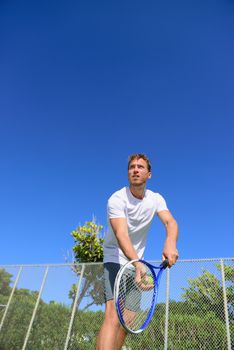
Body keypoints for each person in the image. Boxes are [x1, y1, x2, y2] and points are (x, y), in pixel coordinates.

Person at [96, 153, 179, 350]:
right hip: (115, 257)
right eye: (132, 167)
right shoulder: (117, 198)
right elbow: (121, 234)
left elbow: (170, 222)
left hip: (136, 263)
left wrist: (170, 242)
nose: (135, 170)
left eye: (140, 167)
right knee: (113, 315)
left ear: (149, 174)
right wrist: (137, 264)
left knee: (129, 320)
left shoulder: (156, 199)